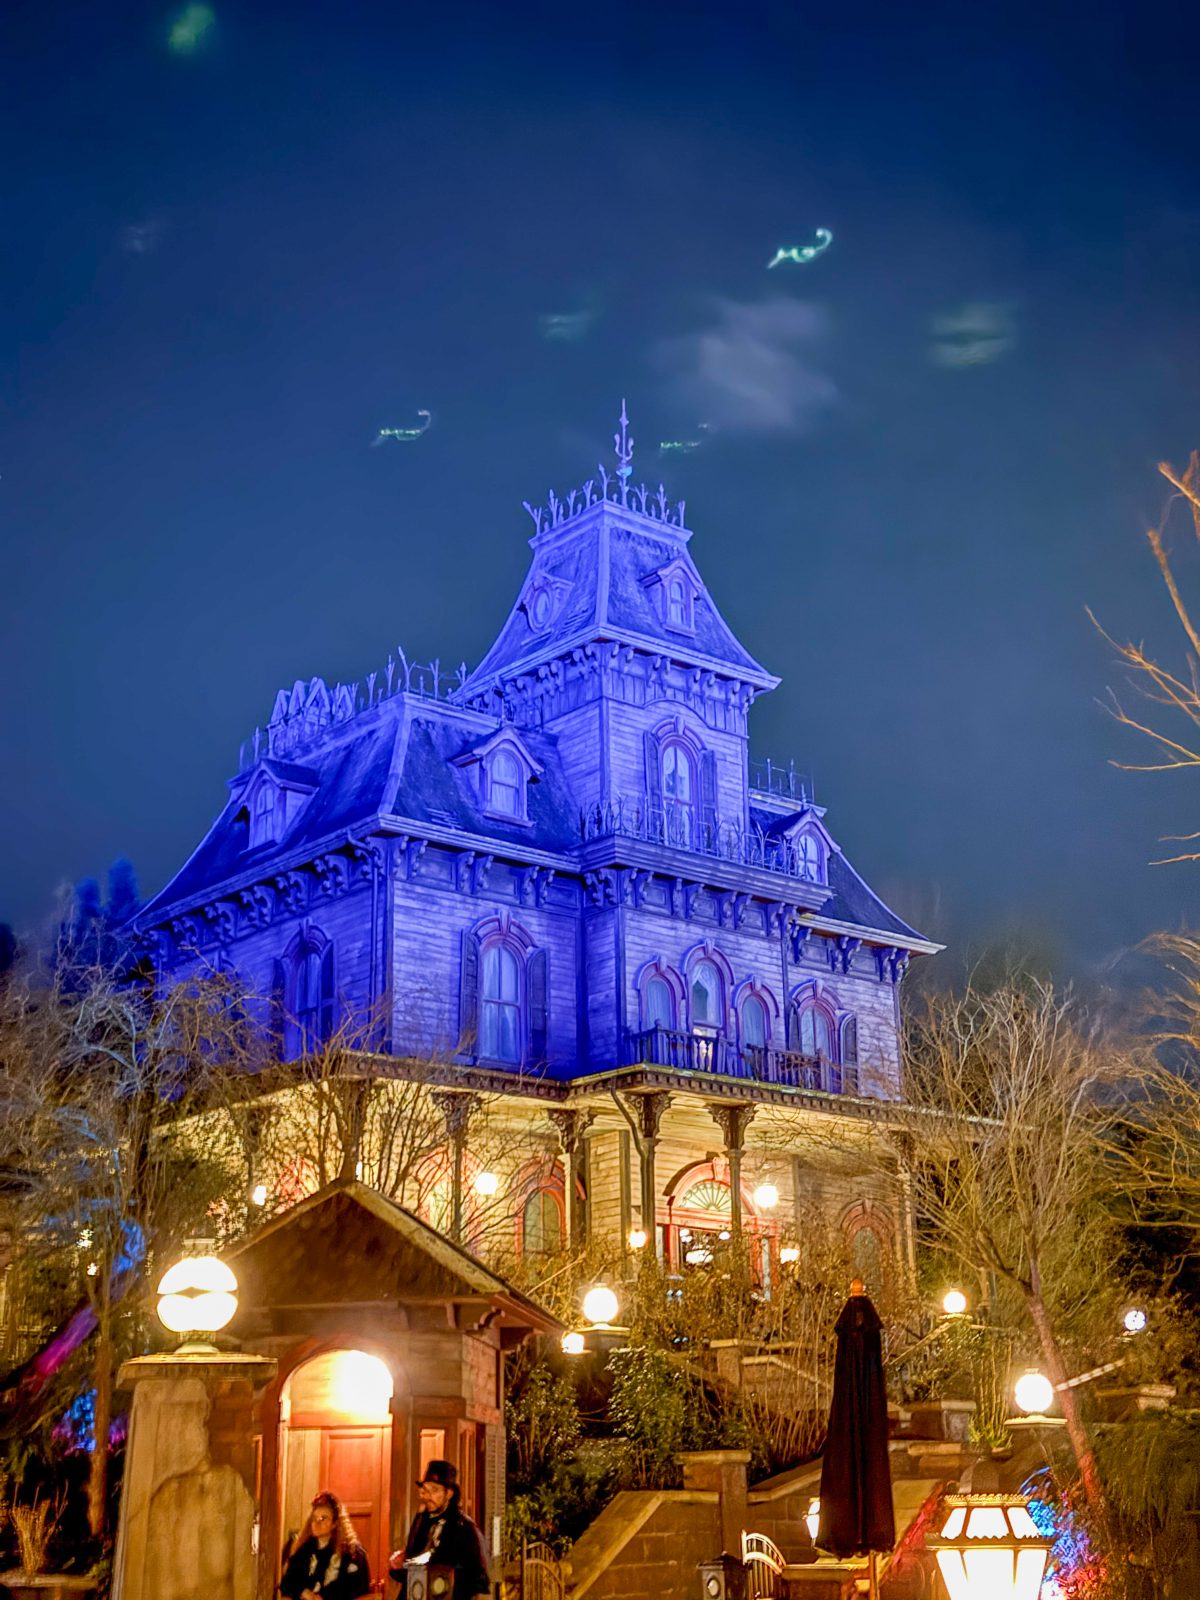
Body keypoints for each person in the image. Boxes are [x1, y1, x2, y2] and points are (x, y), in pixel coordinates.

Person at [388, 1460, 490, 1598]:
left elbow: (478, 1580)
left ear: (448, 1494)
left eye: (434, 1490)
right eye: (425, 1490)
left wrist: (445, 1578)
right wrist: (399, 1565)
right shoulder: (420, 1521)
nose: (427, 1496)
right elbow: (411, 1567)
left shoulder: (465, 1528)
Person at [279, 1489, 372, 1600]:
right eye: (314, 1518)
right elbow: (287, 1582)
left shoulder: (352, 1553)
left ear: (335, 1523)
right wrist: (303, 1592)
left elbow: (356, 1589)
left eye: (323, 1518)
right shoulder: (305, 1549)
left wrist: (325, 1596)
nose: (317, 1523)